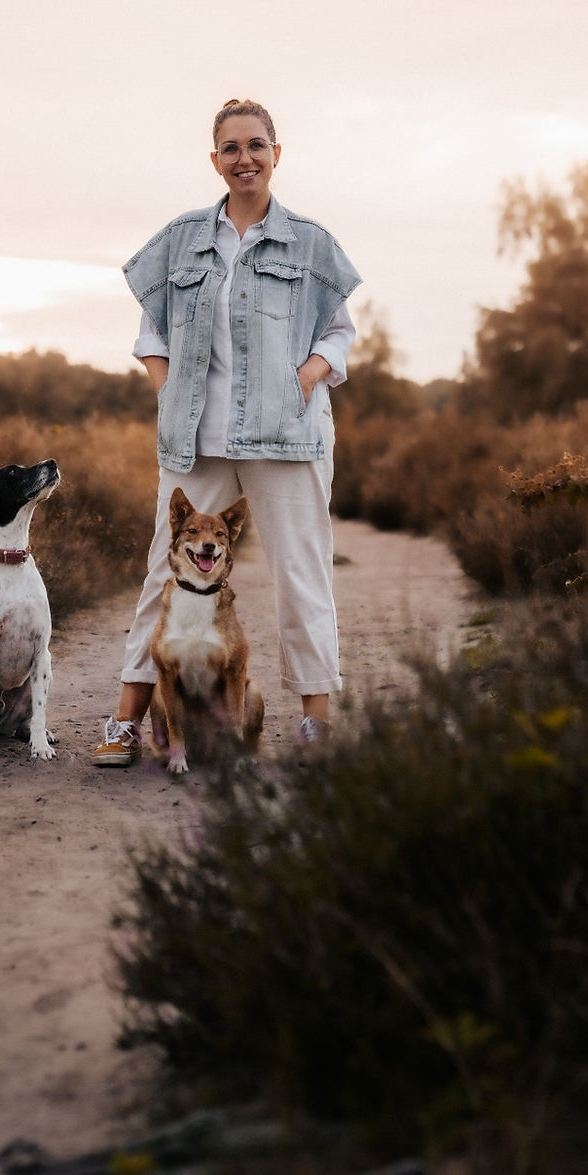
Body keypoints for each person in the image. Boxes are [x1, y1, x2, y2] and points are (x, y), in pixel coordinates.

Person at [92, 97, 361, 767]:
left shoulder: (312, 242)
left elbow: (341, 332)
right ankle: (125, 723)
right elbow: (151, 329)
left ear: (277, 153)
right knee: (165, 573)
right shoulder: (183, 239)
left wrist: (306, 375)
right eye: (231, 148)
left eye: (256, 145)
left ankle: (313, 727)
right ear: (215, 160)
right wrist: (166, 389)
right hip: (197, 438)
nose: (245, 158)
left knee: (302, 576)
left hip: (288, 437)